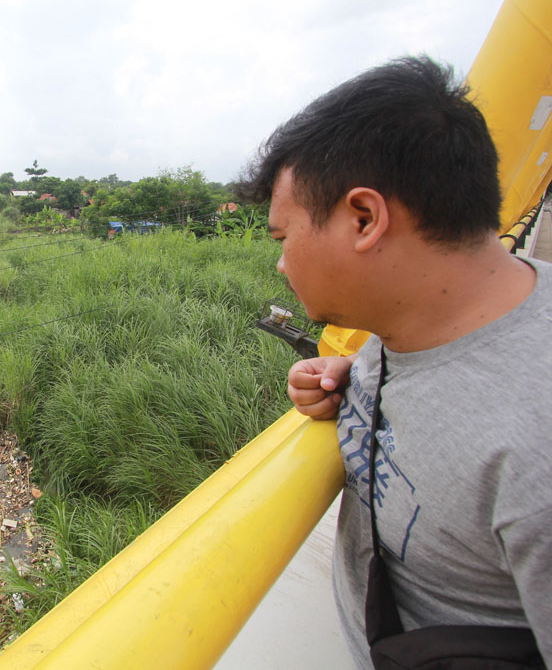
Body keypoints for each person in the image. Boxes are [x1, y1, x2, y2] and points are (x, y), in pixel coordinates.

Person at [236, 56, 552, 667]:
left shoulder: (535, 446)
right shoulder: (419, 320)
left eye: (282, 238)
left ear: (364, 218)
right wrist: (347, 383)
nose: (280, 264)